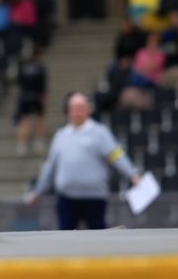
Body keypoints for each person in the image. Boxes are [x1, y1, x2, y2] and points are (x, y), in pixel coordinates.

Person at [26, 92, 141, 230]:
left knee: (98, 237)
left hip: (94, 198)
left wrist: (132, 174)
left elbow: (116, 154)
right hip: (67, 199)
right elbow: (50, 166)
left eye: (81, 107)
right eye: (74, 107)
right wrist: (38, 191)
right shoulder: (61, 136)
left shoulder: (100, 132)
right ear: (68, 111)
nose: (78, 111)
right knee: (65, 238)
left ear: (88, 109)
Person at [14, 46, 47, 157]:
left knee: (23, 120)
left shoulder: (23, 67)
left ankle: (21, 144)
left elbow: (19, 82)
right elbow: (43, 85)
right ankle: (38, 140)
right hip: (36, 96)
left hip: (24, 96)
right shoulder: (40, 68)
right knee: (39, 119)